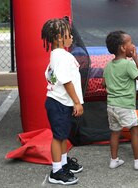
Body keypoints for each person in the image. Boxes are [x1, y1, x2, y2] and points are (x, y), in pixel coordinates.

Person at [102, 30, 138, 170]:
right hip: (125, 105)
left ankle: (114, 160)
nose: (134, 45)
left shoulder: (108, 66)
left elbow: (103, 84)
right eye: (131, 42)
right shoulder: (128, 64)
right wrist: (136, 59)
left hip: (111, 106)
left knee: (115, 132)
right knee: (135, 130)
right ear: (123, 48)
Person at [41, 17, 84, 185]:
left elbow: (50, 76)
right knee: (58, 137)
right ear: (59, 37)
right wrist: (77, 102)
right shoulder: (62, 57)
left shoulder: (57, 55)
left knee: (62, 135)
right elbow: (66, 81)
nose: (72, 36)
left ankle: (64, 164)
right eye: (69, 33)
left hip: (59, 102)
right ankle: (56, 171)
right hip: (59, 103)